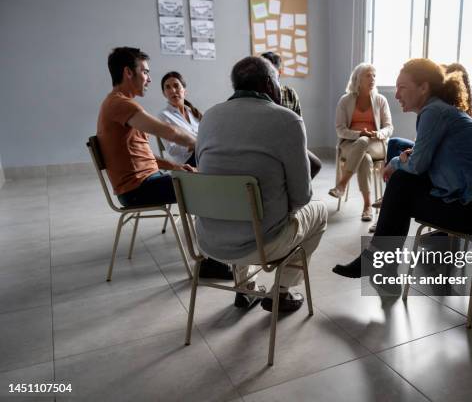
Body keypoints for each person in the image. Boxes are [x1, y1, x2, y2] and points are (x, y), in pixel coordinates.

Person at [332, 58, 472, 281]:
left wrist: (396, 162)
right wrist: (408, 157)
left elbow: (417, 166)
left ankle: (379, 261)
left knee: (400, 184)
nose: (397, 95)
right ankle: (381, 262)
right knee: (403, 184)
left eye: (402, 88)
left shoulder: (433, 112)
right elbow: (428, 157)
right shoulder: (442, 110)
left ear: (424, 87)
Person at [195, 56, 328, 312]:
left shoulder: (209, 117)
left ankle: (246, 289)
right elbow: (302, 196)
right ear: (269, 84)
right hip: (264, 243)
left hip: (209, 238)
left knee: (238, 203)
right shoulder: (287, 119)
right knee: (319, 211)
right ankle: (281, 292)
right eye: (278, 81)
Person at [96, 47, 231, 280]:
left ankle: (214, 254)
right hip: (137, 190)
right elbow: (169, 132)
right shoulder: (121, 104)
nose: (148, 78)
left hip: (144, 182)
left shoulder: (120, 104)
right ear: (129, 72)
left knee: (200, 177)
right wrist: (201, 144)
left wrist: (178, 168)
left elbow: (146, 157)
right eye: (145, 72)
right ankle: (212, 262)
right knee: (208, 186)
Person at [331, 63, 394, 221]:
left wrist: (379, 133)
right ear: (357, 79)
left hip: (376, 144)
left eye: (374, 75)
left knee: (365, 141)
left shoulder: (381, 100)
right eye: (368, 75)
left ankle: (342, 184)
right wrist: (359, 134)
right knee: (364, 156)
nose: (372, 78)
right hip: (350, 144)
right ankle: (367, 206)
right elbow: (340, 129)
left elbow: (389, 127)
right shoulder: (345, 100)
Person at [260, 51, 322, 178]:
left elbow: (299, 124)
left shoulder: (289, 93)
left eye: (271, 71)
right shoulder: (256, 94)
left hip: (289, 144)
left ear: (279, 72)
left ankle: (296, 193)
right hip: (264, 144)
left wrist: (298, 147)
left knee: (315, 164)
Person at [158, 71, 203, 167]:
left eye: (176, 86)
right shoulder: (164, 115)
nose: (173, 91)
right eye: (168, 87)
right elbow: (172, 149)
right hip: (187, 163)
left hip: (203, 154)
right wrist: (195, 144)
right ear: (164, 93)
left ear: (184, 90)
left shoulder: (193, 112)